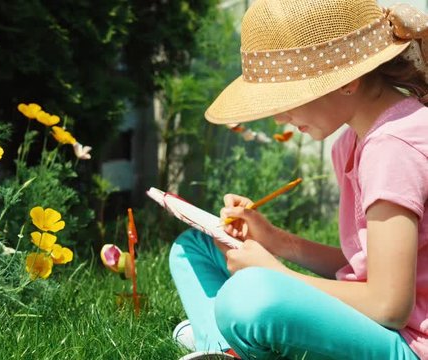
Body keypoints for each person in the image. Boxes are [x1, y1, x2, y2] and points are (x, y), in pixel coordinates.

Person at [169, 0, 428, 359]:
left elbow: (389, 305)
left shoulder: (393, 148)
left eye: (285, 99)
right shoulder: (353, 141)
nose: (277, 118)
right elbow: (367, 264)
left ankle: (218, 338)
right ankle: (223, 347)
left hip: (408, 344)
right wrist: (276, 241)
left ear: (347, 81)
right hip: (384, 325)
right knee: (194, 247)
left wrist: (276, 274)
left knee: (248, 295)